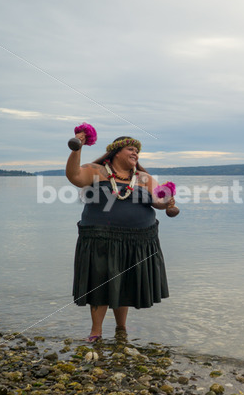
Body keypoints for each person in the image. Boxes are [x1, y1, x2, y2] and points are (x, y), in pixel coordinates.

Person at [66, 132, 175, 342]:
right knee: (101, 282)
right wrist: (77, 147)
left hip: (138, 241)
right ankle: (96, 332)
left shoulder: (144, 178)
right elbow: (74, 176)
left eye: (137, 151)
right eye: (131, 149)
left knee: (123, 283)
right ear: (116, 152)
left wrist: (167, 202)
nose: (135, 153)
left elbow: (158, 202)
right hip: (101, 238)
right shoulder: (96, 171)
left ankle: (121, 329)